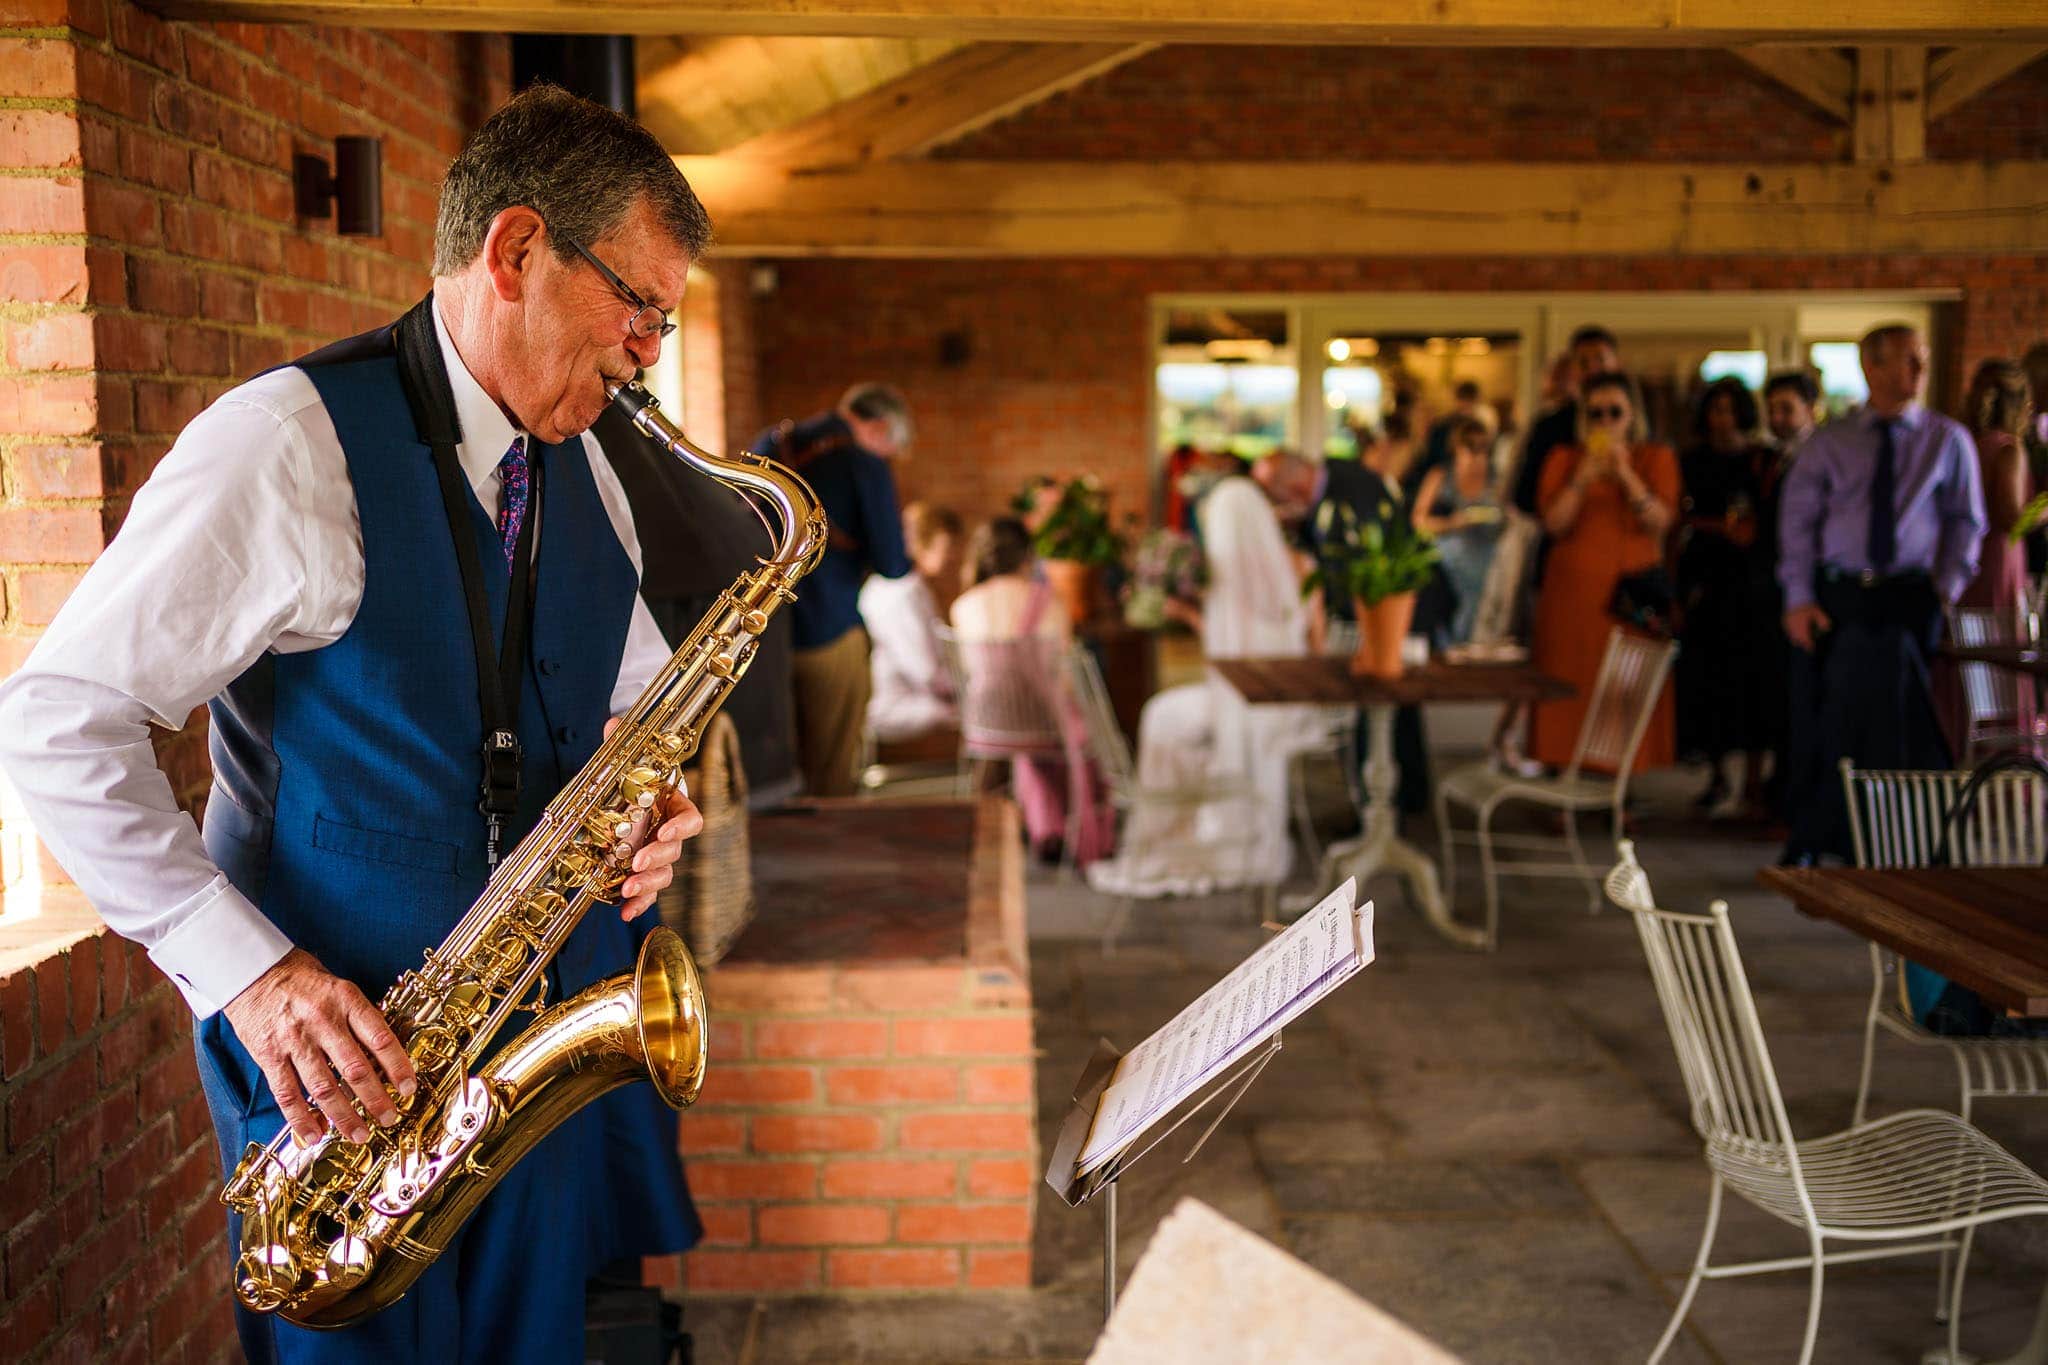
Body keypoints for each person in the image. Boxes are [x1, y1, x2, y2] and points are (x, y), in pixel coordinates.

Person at [0, 85, 710, 1362]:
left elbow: (626, 695)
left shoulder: (584, 457)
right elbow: (54, 722)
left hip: (521, 1059)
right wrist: (256, 982)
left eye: (665, 317)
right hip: (336, 1083)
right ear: (516, 251)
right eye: (637, 305)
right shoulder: (283, 444)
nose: (648, 346)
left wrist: (644, 803)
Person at [1777, 324, 1986, 865]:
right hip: (1842, 593)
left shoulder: (1946, 439)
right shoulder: (1832, 440)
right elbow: (1797, 523)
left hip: (1910, 594)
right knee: (1831, 714)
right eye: (1906, 362)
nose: (1918, 373)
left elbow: (1967, 521)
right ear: (1872, 368)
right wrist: (1798, 598)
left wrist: (1947, 585)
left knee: (1905, 716)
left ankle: (1908, 844)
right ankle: (1818, 837)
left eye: (1923, 360)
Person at [1088, 477, 1336, 896]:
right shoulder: (1302, 566)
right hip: (1288, 696)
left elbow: (1220, 648)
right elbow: (1318, 644)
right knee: (1167, 714)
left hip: (1262, 701)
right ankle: (1188, 815)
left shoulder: (1224, 578)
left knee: (1161, 715)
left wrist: (1185, 613)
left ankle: (1186, 817)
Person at [749, 383, 913, 797]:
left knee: (776, 774)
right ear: (878, 426)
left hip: (759, 635)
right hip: (828, 631)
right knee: (831, 774)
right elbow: (893, 563)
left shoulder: (772, 441)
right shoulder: (863, 462)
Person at [1527, 370, 1680, 772]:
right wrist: (1583, 478)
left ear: (1632, 415)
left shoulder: (1655, 458)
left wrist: (1626, 474)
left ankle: (1621, 787)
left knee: (1625, 684)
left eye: (1616, 412)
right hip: (1572, 596)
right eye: (1597, 414)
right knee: (1569, 680)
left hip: (1631, 594)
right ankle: (1563, 775)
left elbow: (1661, 521)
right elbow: (1554, 523)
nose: (1607, 422)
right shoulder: (1564, 458)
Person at [948, 518, 1111, 865]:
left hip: (986, 725)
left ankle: (1033, 825)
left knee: (1027, 734)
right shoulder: (1049, 602)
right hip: (1045, 726)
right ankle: (1060, 828)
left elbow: (968, 672)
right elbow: (1063, 677)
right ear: (1027, 558)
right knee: (1074, 725)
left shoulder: (963, 605)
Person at [1675, 377, 1776, 818]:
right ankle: (1718, 776)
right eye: (1715, 409)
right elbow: (1683, 517)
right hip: (1706, 576)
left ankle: (1753, 781)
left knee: (1752, 682)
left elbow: (1761, 525)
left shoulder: (1760, 460)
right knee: (1707, 677)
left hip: (1749, 581)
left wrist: (1730, 530)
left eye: (1730, 409)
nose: (1722, 418)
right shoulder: (1693, 459)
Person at [1941, 359, 2038, 756]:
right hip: (1999, 563)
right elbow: (2011, 517)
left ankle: (1961, 744)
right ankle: (2004, 758)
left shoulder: (1963, 444)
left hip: (1967, 565)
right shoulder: (2008, 449)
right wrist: (2045, 507)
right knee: (1999, 657)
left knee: (1969, 658)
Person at [860, 502, 963, 745]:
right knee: (985, 716)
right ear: (920, 544)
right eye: (947, 547)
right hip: (891, 705)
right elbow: (925, 672)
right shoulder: (900, 593)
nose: (953, 556)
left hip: (913, 693)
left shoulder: (904, 586)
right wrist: (967, 687)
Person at [1412, 414, 1505, 646]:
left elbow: (1508, 520)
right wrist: (1453, 523)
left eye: (1483, 447)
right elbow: (1419, 521)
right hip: (1451, 557)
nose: (1477, 454)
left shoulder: (1497, 478)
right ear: (1457, 447)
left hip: (1488, 556)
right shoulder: (1441, 475)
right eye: (1471, 447)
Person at [1511, 325, 1623, 518]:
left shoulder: (1640, 423)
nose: (1594, 369)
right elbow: (1525, 496)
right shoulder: (1550, 426)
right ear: (1573, 369)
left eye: (1600, 359)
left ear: (1616, 363)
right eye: (1584, 362)